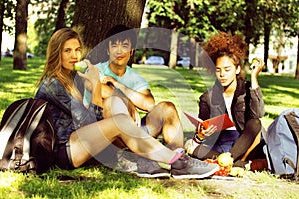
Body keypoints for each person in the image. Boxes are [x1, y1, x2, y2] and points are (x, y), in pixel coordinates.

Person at [34, 27, 219, 179]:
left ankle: (175, 160)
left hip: (82, 143)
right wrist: (96, 85)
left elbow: (93, 119)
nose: (74, 55)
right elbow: (88, 121)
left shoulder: (73, 77)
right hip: (64, 150)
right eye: (67, 51)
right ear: (57, 53)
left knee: (122, 120)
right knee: (120, 121)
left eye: (76, 50)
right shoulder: (53, 84)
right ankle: (179, 162)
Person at [83, 25, 185, 176]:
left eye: (125, 46)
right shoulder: (95, 70)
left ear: (131, 51)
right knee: (110, 103)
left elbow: (149, 104)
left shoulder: (136, 78)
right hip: (106, 134)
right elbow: (99, 90)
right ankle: (137, 156)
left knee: (167, 108)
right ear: (107, 50)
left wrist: (118, 85)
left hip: (135, 132)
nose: (119, 51)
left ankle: (179, 160)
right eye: (114, 45)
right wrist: (127, 102)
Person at [185, 32, 267, 171]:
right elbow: (203, 129)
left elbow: (258, 113)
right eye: (218, 70)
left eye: (227, 69)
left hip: (245, 142)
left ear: (237, 69)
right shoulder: (207, 98)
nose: (222, 74)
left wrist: (254, 78)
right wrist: (202, 133)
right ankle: (238, 164)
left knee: (255, 123)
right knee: (191, 147)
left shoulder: (248, 90)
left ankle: (227, 159)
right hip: (222, 142)